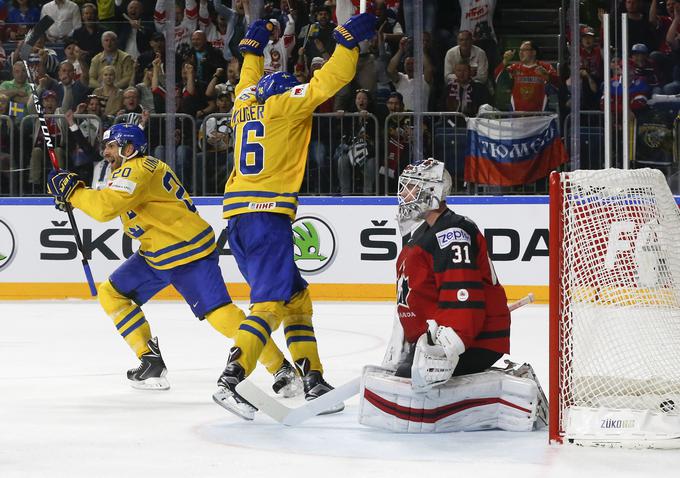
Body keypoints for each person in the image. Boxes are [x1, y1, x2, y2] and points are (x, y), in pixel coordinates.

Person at [44, 123, 302, 396]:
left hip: (184, 251)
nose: (105, 152)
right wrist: (74, 196)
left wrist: (73, 192)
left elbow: (105, 208)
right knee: (112, 293)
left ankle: (280, 368)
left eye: (111, 146)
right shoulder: (133, 169)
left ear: (128, 149)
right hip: (158, 253)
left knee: (220, 315)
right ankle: (150, 360)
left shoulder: (136, 169)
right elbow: (109, 200)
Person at [214, 14, 376, 420]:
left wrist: (251, 52)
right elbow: (328, 82)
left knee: (296, 300)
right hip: (266, 216)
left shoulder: (244, 106)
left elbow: (245, 82)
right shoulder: (285, 106)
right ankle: (230, 379)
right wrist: (346, 44)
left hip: (239, 219)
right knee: (268, 305)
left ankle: (313, 379)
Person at [358, 158, 546, 433]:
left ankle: (505, 392)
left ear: (432, 192)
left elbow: (463, 295)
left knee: (411, 383)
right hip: (432, 338)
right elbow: (413, 296)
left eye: (411, 187)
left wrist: (448, 346)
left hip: (472, 341)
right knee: (401, 376)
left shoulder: (453, 233)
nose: (404, 194)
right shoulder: (422, 232)